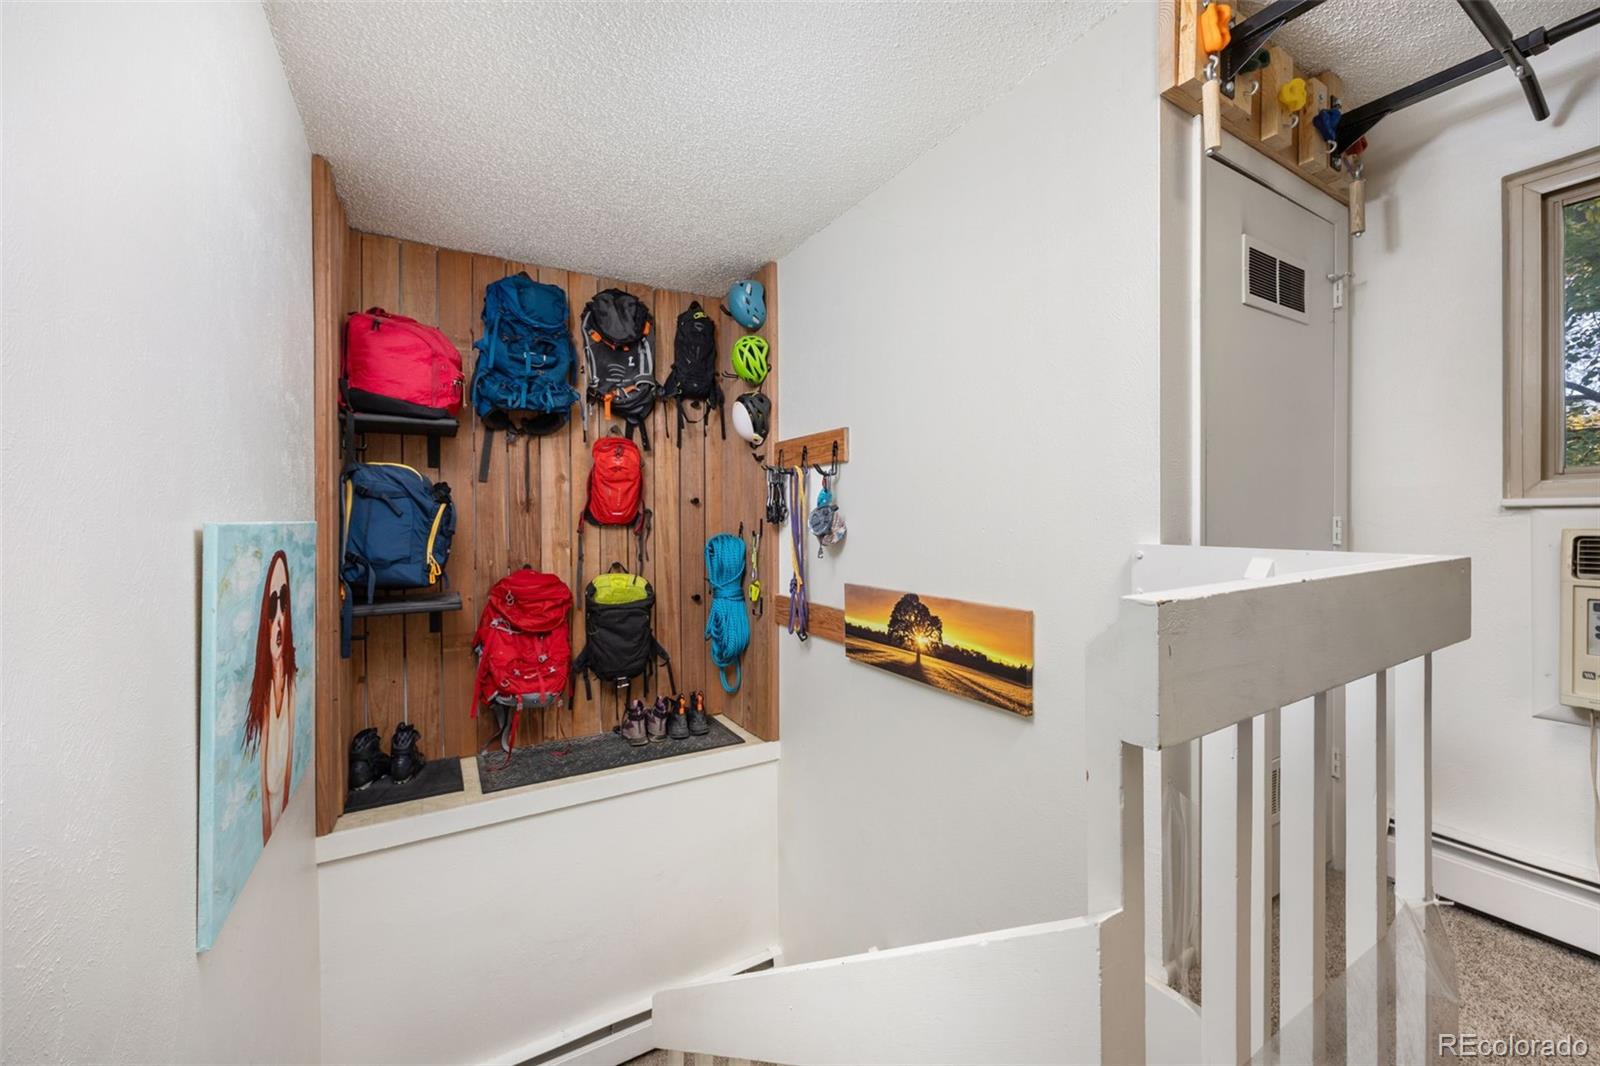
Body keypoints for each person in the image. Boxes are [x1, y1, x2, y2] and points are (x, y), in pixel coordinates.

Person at [243, 550, 297, 844]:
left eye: (285, 604)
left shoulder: (291, 685)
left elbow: (287, 778)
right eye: (272, 608)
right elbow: (265, 797)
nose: (279, 621)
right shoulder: (263, 700)